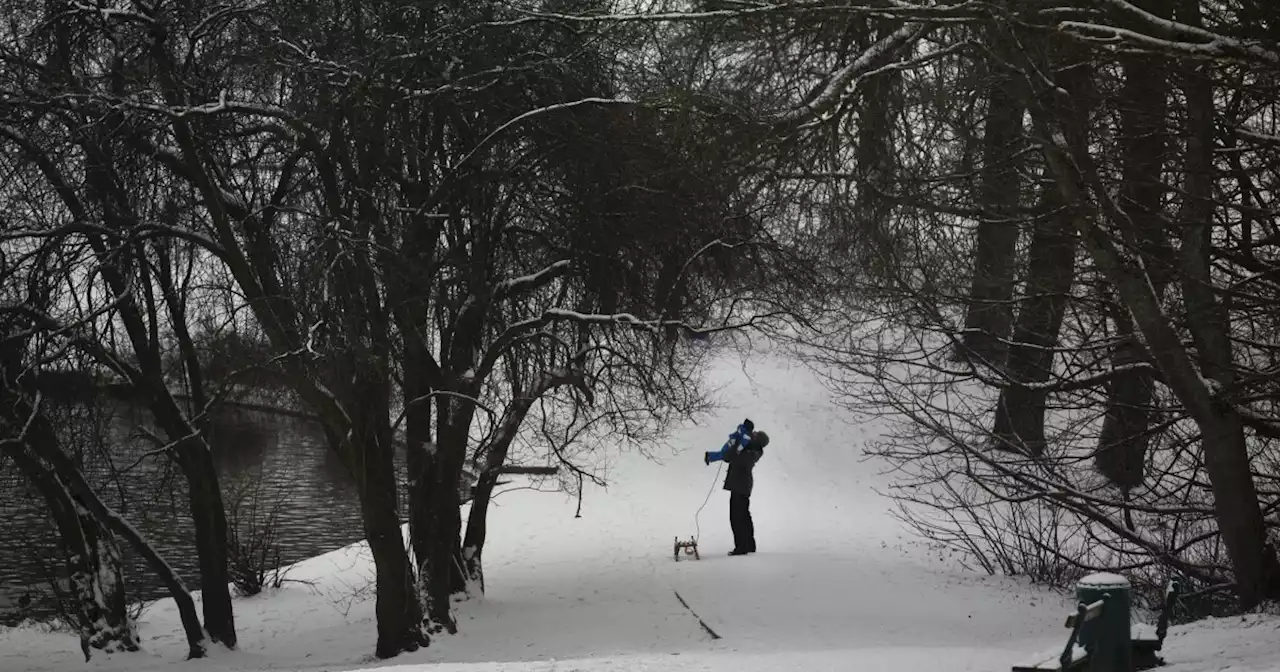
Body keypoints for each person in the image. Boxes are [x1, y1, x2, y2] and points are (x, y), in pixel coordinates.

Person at [704, 419, 769, 556]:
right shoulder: (752, 449)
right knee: (744, 516)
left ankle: (741, 547)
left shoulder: (750, 451)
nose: (753, 434)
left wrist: (737, 444)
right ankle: (749, 545)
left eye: (755, 434)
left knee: (736, 517)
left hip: (740, 486)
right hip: (743, 486)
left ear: (758, 440)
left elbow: (729, 456)